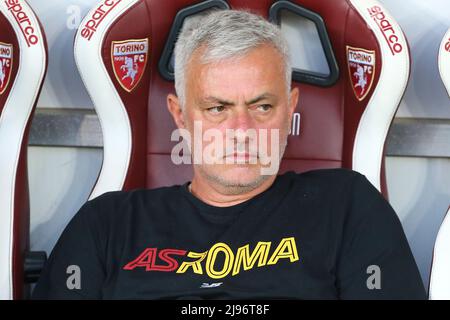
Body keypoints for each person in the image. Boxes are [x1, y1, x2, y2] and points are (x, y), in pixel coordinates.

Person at [32, 9, 426, 300]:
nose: (241, 132)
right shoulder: (107, 223)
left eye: (261, 107)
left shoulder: (346, 206)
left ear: (290, 109)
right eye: (217, 109)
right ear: (180, 114)